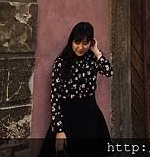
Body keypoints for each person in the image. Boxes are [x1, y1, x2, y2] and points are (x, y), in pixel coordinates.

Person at [39, 22, 113, 156]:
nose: (80, 47)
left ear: (91, 43)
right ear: (71, 41)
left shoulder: (92, 60)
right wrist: (59, 130)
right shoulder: (61, 63)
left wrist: (97, 52)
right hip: (68, 118)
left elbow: (108, 71)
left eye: (85, 43)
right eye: (77, 42)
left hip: (90, 116)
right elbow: (55, 98)